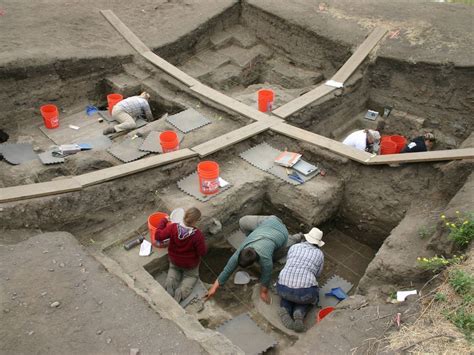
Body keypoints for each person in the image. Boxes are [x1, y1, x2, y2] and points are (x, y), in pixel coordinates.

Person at [206, 215, 300, 304]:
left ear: (253, 263)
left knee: (278, 255)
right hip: (268, 221)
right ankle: (258, 233)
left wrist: (263, 292)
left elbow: (266, 277)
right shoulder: (242, 249)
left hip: (282, 232)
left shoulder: (266, 260)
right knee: (242, 221)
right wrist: (214, 287)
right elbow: (228, 269)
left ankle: (298, 237)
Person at [153, 207, 207, 303]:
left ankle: (170, 284)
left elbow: (158, 236)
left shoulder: (173, 227)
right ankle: (181, 293)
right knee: (191, 277)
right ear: (195, 222)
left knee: (174, 269)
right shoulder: (197, 235)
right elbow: (202, 252)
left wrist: (163, 221)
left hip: (174, 261)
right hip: (190, 265)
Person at [276, 227, 324, 333]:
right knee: (310, 295)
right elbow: (318, 274)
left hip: (282, 287)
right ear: (318, 243)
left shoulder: (295, 246)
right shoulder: (319, 254)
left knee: (288, 295)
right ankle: (299, 312)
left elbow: (288, 262)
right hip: (304, 293)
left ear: (306, 238)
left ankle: (285, 309)